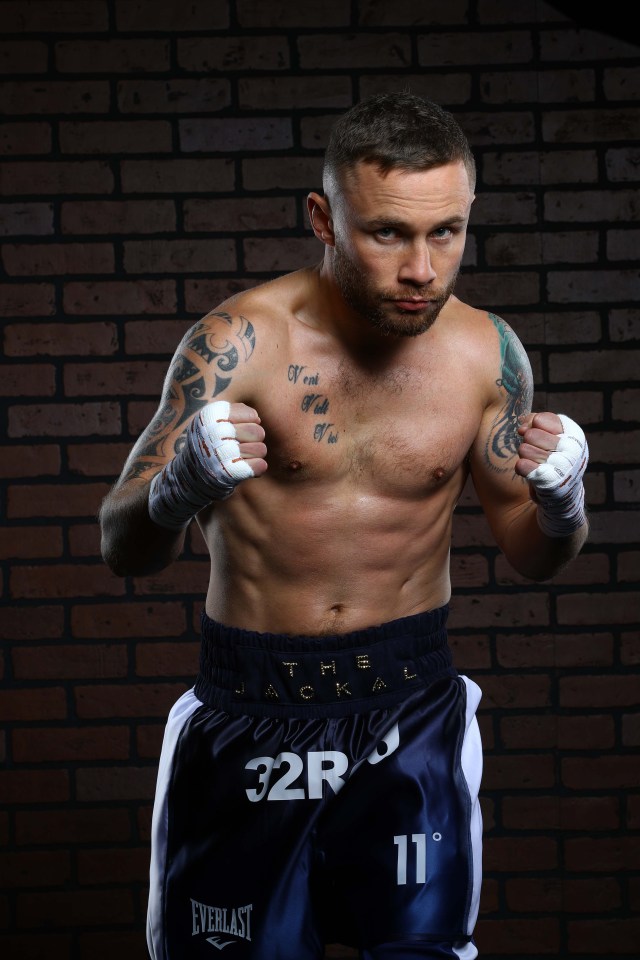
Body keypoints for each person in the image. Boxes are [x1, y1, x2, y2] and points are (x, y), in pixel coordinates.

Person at [99, 93, 589, 960]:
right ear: (323, 219)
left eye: (447, 233)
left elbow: (533, 556)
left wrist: (562, 504)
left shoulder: (487, 353)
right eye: (389, 234)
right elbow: (121, 546)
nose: (422, 269)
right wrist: (177, 491)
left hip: (411, 711)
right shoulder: (239, 343)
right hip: (254, 707)